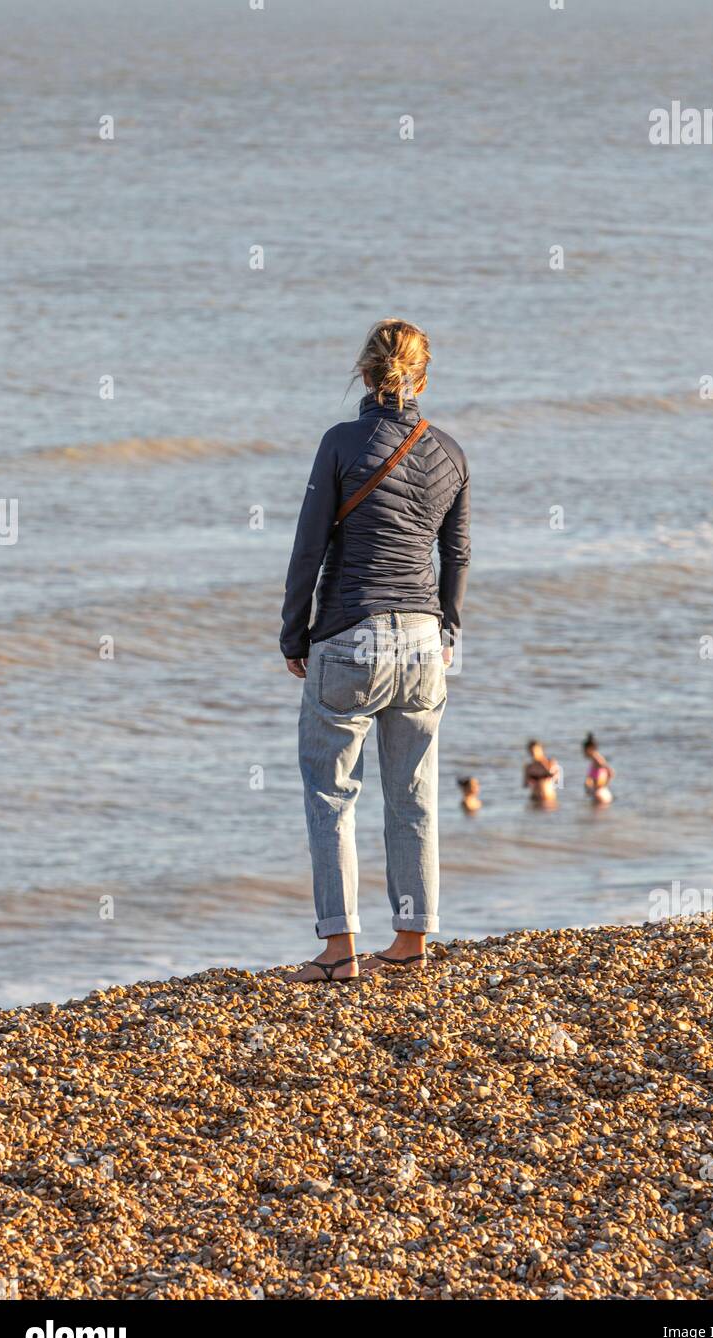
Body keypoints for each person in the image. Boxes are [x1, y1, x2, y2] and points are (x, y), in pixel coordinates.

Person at [279, 319, 470, 981]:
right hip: (422, 641)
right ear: (421, 376)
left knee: (332, 796)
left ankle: (338, 952)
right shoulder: (449, 452)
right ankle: (412, 939)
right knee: (413, 796)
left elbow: (309, 547)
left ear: (366, 372)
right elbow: (457, 554)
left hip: (349, 634)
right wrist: (448, 629)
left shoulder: (339, 443)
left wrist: (292, 633)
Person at [523, 740, 560, 805]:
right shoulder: (529, 767)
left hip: (549, 798)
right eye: (531, 751)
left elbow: (557, 780)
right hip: (535, 797)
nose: (534, 753)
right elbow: (525, 785)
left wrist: (543, 763)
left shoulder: (551, 763)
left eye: (536, 751)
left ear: (541, 750)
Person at [583, 732, 614, 804]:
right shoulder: (596, 759)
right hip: (601, 791)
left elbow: (611, 772)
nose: (584, 753)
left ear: (589, 749)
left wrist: (603, 785)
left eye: (584, 751)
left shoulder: (597, 759)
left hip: (600, 793)